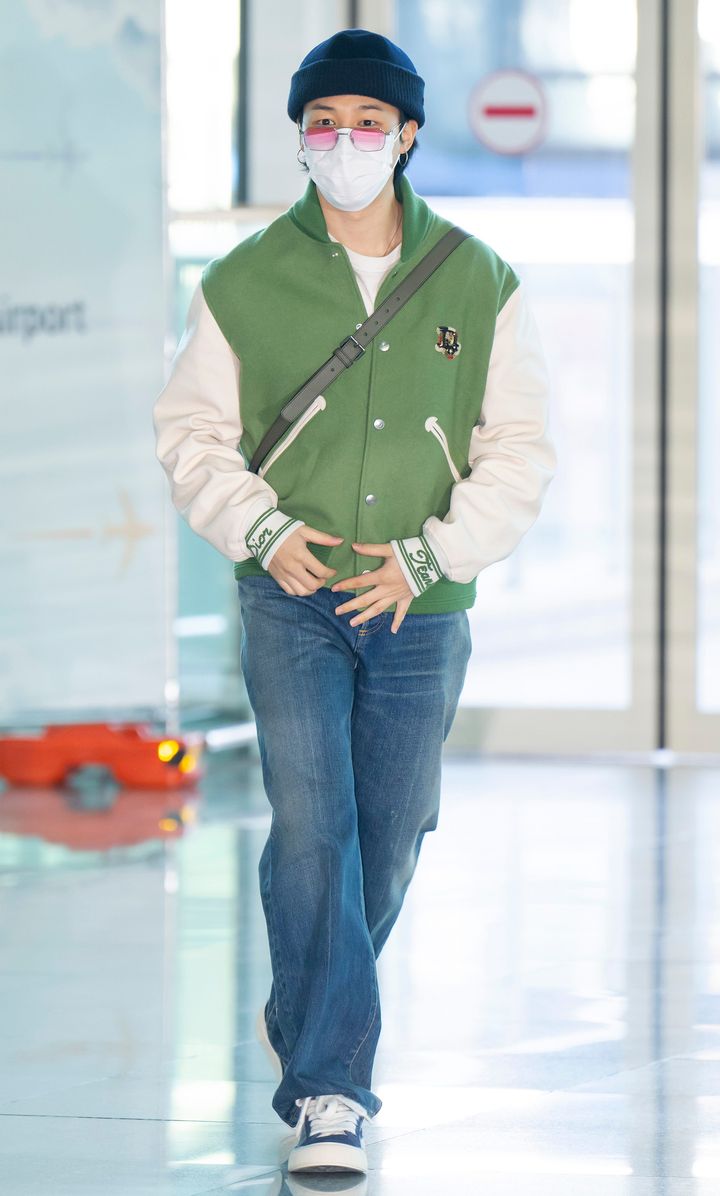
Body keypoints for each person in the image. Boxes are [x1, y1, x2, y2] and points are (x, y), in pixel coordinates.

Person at [152, 27, 557, 1176]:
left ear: (408, 134)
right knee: (312, 820)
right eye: (322, 124)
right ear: (300, 138)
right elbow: (191, 433)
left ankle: (305, 1004)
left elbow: (520, 447)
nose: (344, 142)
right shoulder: (242, 281)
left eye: (368, 123)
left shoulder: (478, 280)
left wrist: (431, 556)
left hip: (420, 603)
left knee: (393, 827)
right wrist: (263, 530)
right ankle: (330, 1091)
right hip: (289, 597)